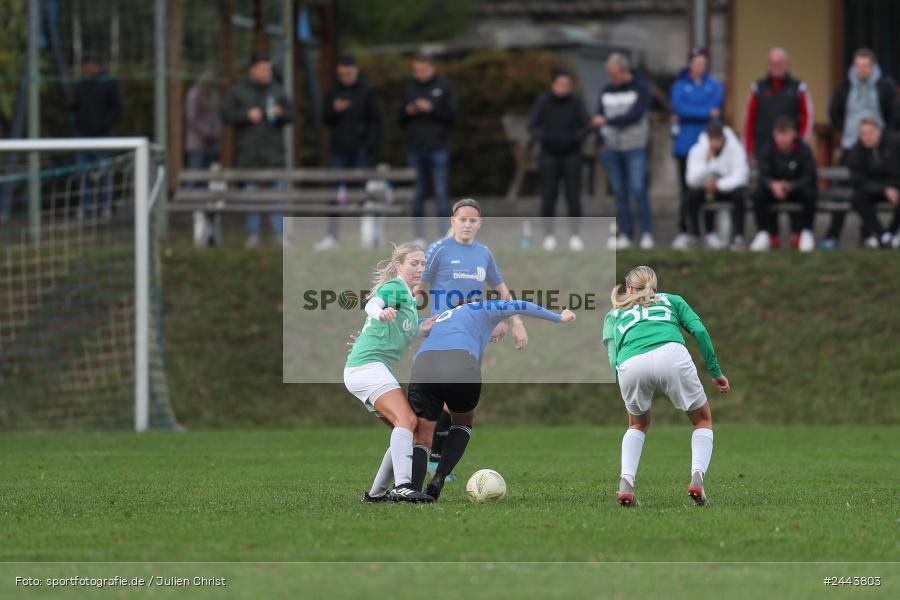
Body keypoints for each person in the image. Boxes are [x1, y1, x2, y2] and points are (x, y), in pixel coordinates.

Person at [407, 298, 576, 500]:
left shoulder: (443, 317)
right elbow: (519, 304)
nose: (498, 336)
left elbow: (407, 329)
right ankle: (440, 477)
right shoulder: (484, 307)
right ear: (499, 316)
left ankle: (412, 490)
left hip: (424, 363)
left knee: (422, 434)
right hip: (460, 360)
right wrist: (558, 317)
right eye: (502, 328)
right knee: (463, 422)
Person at [602, 266, 730, 507]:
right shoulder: (672, 300)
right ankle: (697, 480)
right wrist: (715, 371)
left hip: (631, 362)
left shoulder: (614, 313)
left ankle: (626, 483)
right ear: (655, 287)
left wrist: (620, 380)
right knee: (702, 420)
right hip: (672, 354)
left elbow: (612, 354)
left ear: (629, 288)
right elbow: (700, 331)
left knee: (637, 424)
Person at [415, 198, 530, 466]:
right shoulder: (438, 250)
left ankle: (434, 457)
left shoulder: (484, 254)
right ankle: (429, 457)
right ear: (452, 221)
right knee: (441, 399)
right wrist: (407, 317)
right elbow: (417, 287)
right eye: (462, 219)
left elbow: (501, 292)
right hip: (443, 332)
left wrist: (514, 322)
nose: (467, 224)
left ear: (480, 223)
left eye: (472, 220)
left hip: (472, 336)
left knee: (457, 401)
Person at [343, 241, 437, 503]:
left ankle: (375, 495)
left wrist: (422, 329)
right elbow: (373, 303)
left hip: (367, 369)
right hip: (367, 365)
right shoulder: (395, 287)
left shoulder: (408, 297)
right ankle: (403, 486)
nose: (420, 268)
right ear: (399, 265)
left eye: (423, 263)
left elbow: (402, 334)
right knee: (407, 420)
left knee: (405, 428)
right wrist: (380, 312)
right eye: (414, 263)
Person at [822, 48, 898, 249]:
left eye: (865, 66)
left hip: (878, 147)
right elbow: (834, 112)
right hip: (850, 146)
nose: (861, 70)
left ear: (873, 66)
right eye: (858, 66)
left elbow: (894, 114)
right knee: (846, 191)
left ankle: (873, 236)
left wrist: (884, 137)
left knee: (872, 189)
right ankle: (833, 235)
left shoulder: (885, 86)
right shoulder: (846, 85)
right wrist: (845, 131)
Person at [222, 53, 294, 248]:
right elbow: (226, 114)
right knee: (251, 197)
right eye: (262, 69)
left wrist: (281, 114)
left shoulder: (277, 90)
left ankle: (279, 236)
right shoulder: (238, 91)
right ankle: (252, 236)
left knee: (276, 197)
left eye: (268, 69)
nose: (266, 72)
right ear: (252, 70)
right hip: (249, 154)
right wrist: (245, 115)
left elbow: (291, 114)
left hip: (274, 154)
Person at [314, 53, 382, 252]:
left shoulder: (367, 91)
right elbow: (325, 119)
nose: (345, 77)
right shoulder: (333, 91)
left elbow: (376, 121)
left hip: (362, 151)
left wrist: (369, 146)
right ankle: (332, 236)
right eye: (342, 74)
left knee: (365, 193)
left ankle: (367, 236)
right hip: (339, 150)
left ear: (355, 70)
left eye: (349, 73)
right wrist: (335, 110)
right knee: (334, 193)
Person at [593, 53, 654, 249]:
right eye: (609, 74)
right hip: (611, 149)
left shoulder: (640, 88)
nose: (611, 78)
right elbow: (599, 116)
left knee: (638, 189)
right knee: (619, 192)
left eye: (614, 74)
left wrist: (609, 121)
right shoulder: (606, 90)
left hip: (634, 146)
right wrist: (600, 141)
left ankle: (646, 233)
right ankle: (626, 233)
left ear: (625, 71)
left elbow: (635, 115)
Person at [527, 67, 590, 251]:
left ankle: (575, 235)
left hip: (572, 155)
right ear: (553, 84)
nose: (565, 88)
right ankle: (548, 235)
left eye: (568, 85)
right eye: (561, 84)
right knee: (548, 196)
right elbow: (533, 126)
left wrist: (575, 138)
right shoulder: (543, 101)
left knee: (573, 197)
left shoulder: (577, 102)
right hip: (549, 155)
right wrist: (546, 138)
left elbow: (585, 125)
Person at [670, 47, 724, 250]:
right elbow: (679, 107)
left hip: (708, 146)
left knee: (710, 187)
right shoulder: (680, 85)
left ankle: (710, 231)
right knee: (686, 191)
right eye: (696, 62)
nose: (699, 66)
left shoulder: (714, 85)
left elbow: (716, 108)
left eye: (703, 62)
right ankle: (686, 231)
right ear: (690, 63)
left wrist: (690, 113)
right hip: (685, 145)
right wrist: (704, 112)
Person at [399, 54, 456, 243]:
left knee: (441, 192)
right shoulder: (410, 89)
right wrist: (408, 112)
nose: (420, 74)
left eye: (423, 70)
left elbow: (452, 117)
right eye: (416, 71)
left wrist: (431, 109)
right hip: (416, 148)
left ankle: (444, 235)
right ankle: (418, 235)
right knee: (417, 194)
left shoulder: (444, 87)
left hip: (438, 147)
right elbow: (400, 120)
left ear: (432, 68)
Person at [69, 51, 124, 220]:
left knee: (104, 172)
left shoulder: (110, 83)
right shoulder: (80, 84)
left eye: (91, 64)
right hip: (82, 136)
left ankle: (105, 206)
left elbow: (119, 107)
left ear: (98, 66)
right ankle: (86, 207)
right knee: (83, 173)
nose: (88, 68)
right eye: (86, 64)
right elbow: (74, 108)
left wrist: (104, 125)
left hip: (103, 137)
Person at [749, 117, 817, 252]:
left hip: (796, 190)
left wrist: (792, 186)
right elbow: (763, 174)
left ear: (793, 134)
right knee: (758, 194)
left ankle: (805, 232)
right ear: (774, 134)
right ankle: (764, 233)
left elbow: (809, 176)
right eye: (779, 134)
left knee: (810, 193)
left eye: (785, 133)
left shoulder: (803, 150)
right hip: (773, 190)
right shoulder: (767, 149)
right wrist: (773, 185)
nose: (782, 138)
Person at [684, 121, 749, 250]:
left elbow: (741, 177)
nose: (714, 142)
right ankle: (695, 236)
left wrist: (718, 184)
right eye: (711, 138)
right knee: (690, 196)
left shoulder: (735, 149)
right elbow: (690, 179)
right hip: (707, 189)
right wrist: (707, 163)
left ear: (723, 136)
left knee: (740, 195)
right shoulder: (698, 150)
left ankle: (738, 237)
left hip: (727, 190)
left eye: (717, 137)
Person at [742, 48, 814, 161]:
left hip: (791, 152)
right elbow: (748, 120)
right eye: (772, 63)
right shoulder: (757, 88)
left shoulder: (799, 88)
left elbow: (808, 118)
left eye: (779, 63)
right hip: (763, 150)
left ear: (787, 64)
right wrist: (748, 149)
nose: (776, 67)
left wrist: (801, 145)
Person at [844, 117, 900, 249]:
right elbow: (858, 180)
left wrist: (892, 187)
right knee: (857, 199)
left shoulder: (895, 144)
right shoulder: (855, 152)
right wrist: (883, 190)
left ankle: (891, 233)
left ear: (879, 131)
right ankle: (882, 235)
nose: (867, 137)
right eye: (863, 133)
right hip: (871, 190)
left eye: (870, 133)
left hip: (894, 187)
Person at [184, 69, 223, 246]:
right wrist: (206, 132)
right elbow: (191, 118)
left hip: (212, 146)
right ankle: (198, 230)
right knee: (197, 187)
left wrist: (216, 132)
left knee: (213, 188)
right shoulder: (194, 94)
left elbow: (216, 117)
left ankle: (213, 230)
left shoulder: (214, 96)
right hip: (197, 147)